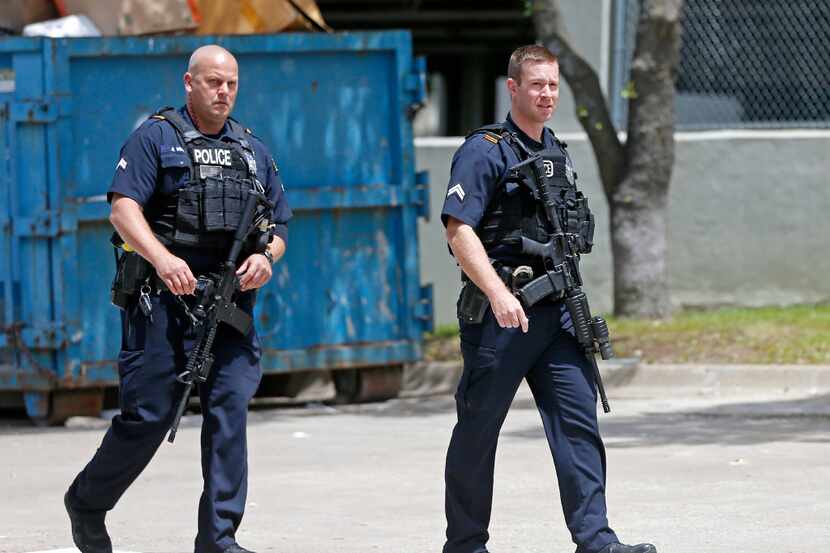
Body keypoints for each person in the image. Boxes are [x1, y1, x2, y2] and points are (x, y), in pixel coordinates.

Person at [64, 45, 291, 553]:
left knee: (229, 412)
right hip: (164, 303)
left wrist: (267, 258)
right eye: (213, 82)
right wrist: (163, 260)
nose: (223, 92)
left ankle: (219, 539)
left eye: (231, 83)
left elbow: (277, 224)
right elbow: (124, 209)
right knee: (148, 417)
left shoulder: (251, 150)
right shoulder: (156, 138)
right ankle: (87, 501)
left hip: (229, 306)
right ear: (188, 83)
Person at [440, 45, 656, 553]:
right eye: (537, 85)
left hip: (557, 314)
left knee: (579, 426)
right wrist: (495, 292)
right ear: (512, 87)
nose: (547, 95)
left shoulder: (556, 149)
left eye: (554, 85)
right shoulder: (485, 149)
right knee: (478, 431)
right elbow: (458, 231)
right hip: (503, 315)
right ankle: (466, 544)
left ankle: (596, 540)